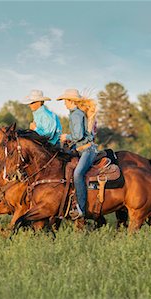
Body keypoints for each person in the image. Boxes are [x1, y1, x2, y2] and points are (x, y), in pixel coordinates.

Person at [57, 89, 97, 220]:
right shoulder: (77, 113)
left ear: (71, 101)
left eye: (65, 101)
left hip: (87, 150)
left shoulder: (76, 114)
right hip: (83, 149)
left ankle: (81, 208)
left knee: (78, 174)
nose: (64, 104)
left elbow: (78, 136)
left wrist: (65, 137)